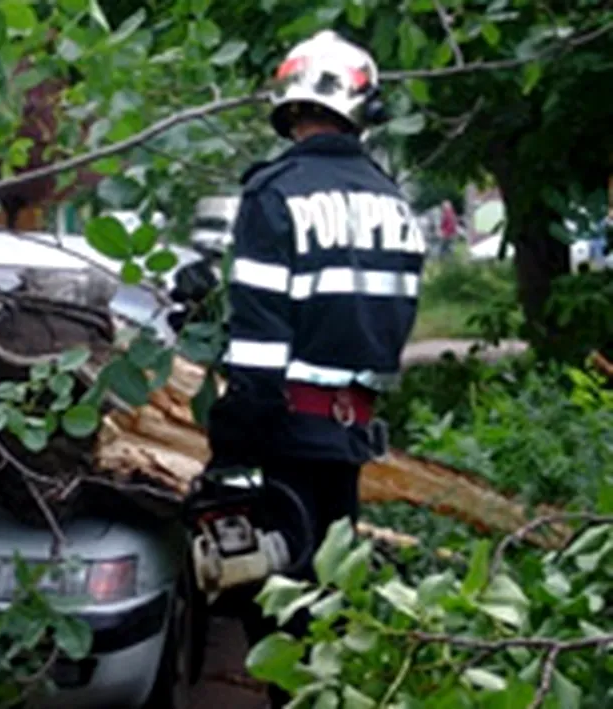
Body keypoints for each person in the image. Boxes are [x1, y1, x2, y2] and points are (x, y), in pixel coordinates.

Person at [187, 30, 425, 707]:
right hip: (349, 437)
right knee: (332, 608)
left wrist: (228, 447)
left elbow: (260, 352)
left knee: (278, 616)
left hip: (283, 437)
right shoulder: (393, 201)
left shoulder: (275, 194)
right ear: (362, 108)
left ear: (291, 109)